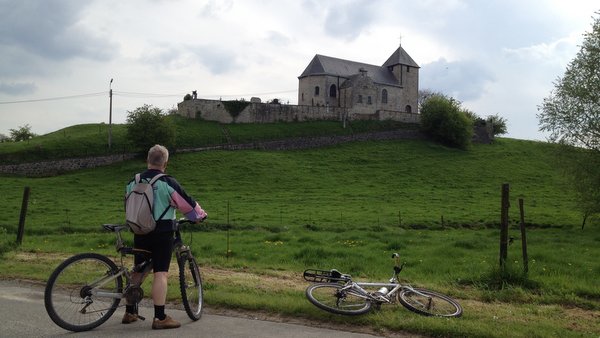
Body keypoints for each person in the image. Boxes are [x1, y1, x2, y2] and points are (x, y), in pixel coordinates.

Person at [123, 144, 207, 330]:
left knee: (139, 270)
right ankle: (160, 317)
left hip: (139, 231)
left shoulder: (132, 181)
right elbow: (189, 205)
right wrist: (200, 217)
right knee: (160, 273)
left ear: (148, 160)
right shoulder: (167, 182)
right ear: (165, 163)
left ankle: (130, 312)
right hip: (162, 232)